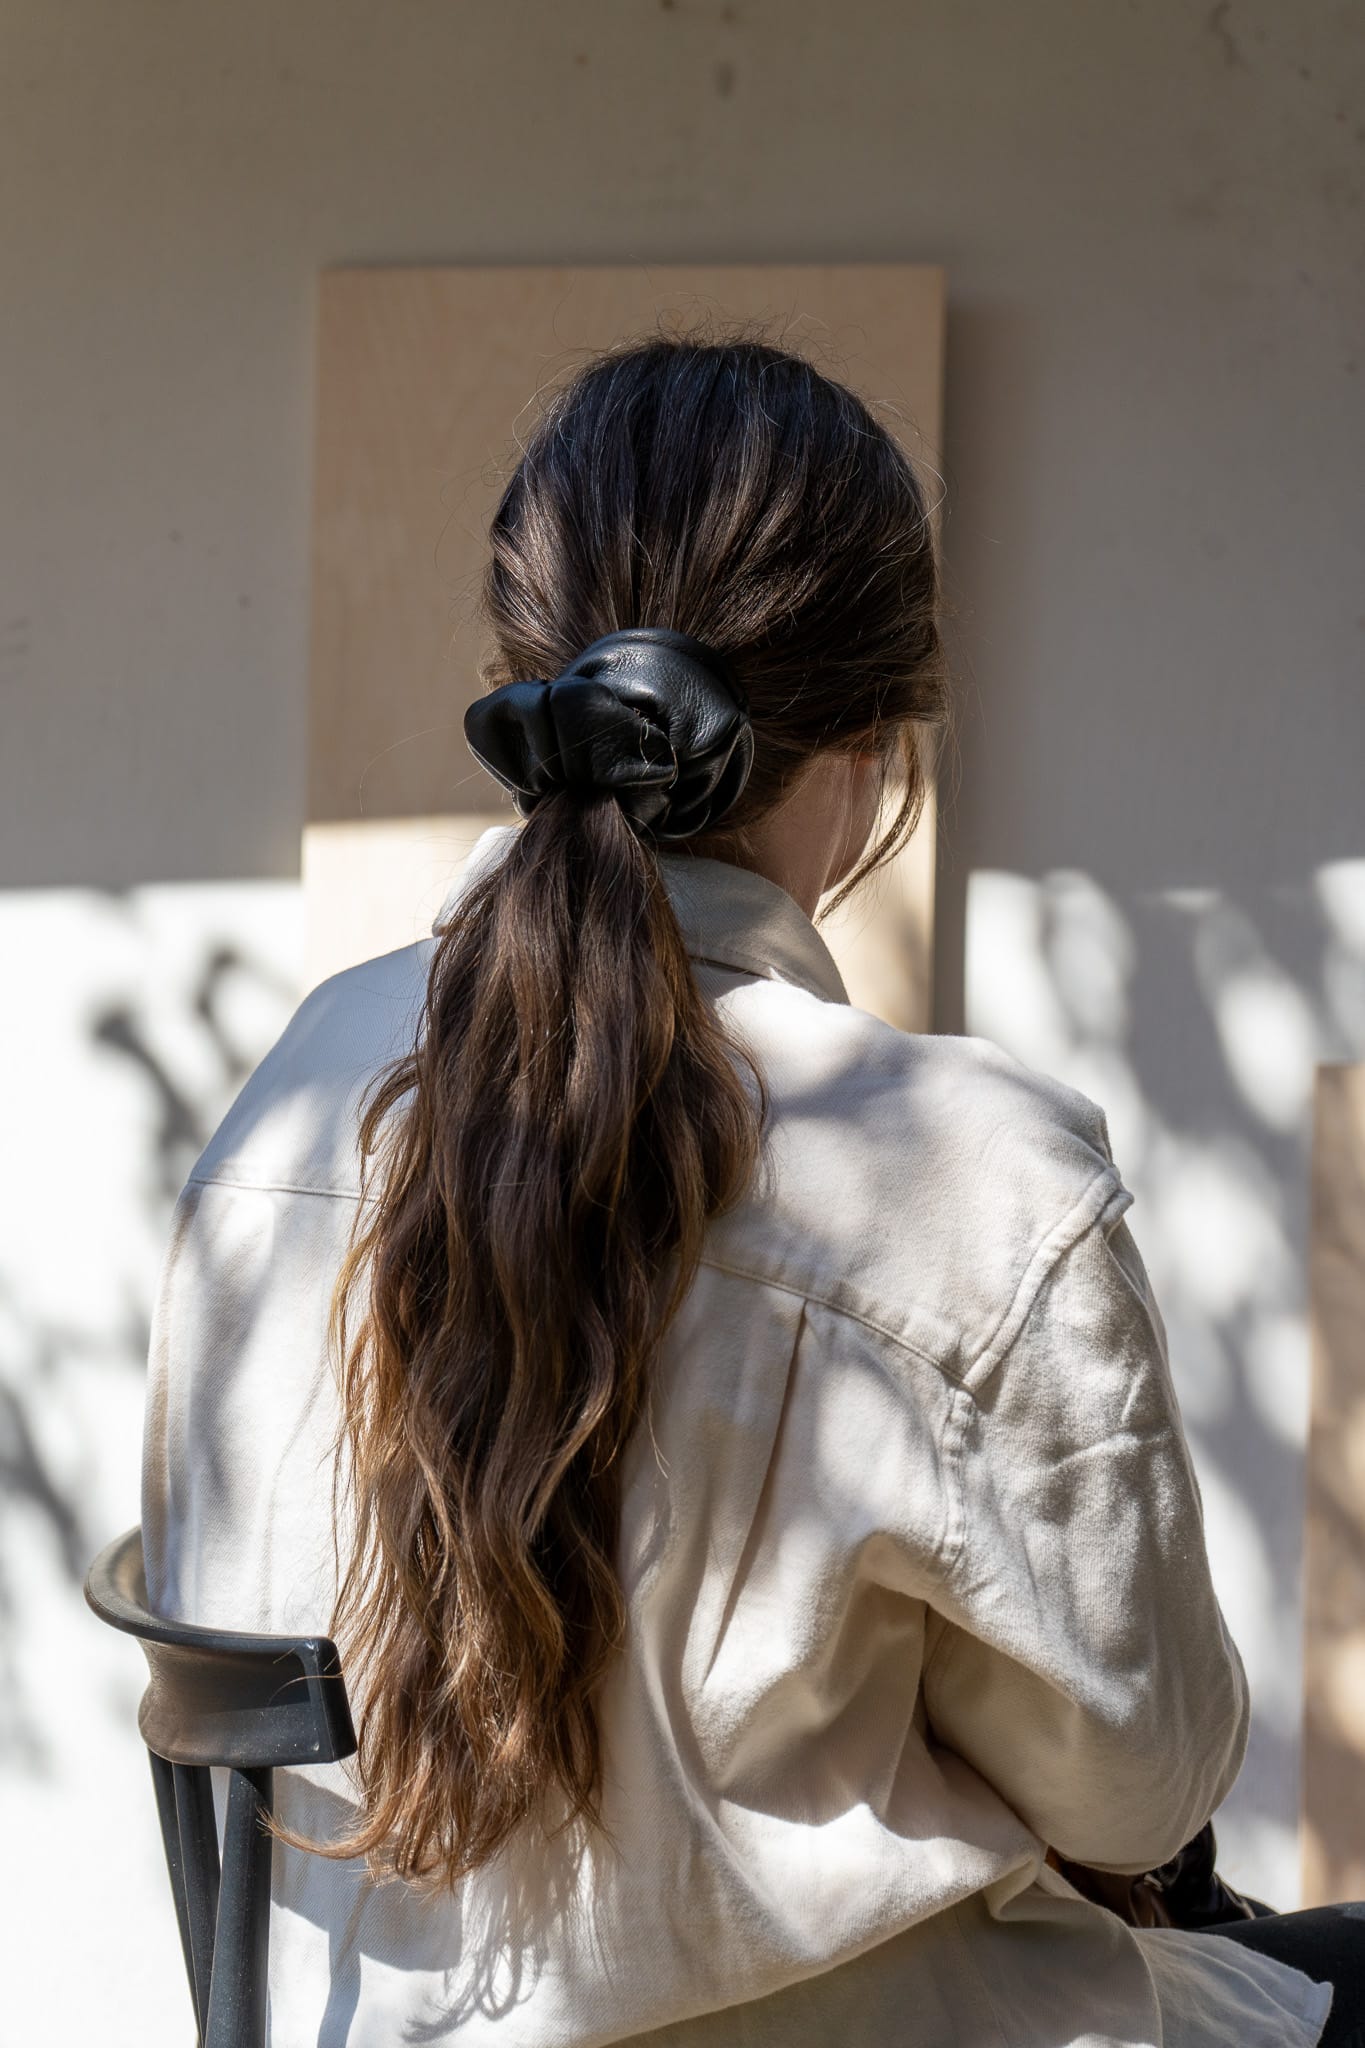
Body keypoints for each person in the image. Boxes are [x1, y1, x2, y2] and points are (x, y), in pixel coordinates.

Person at [141, 332, 1358, 2046]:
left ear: (523, 684)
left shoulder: (288, 1105)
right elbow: (1139, 1791)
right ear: (871, 741)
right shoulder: (969, 1170)